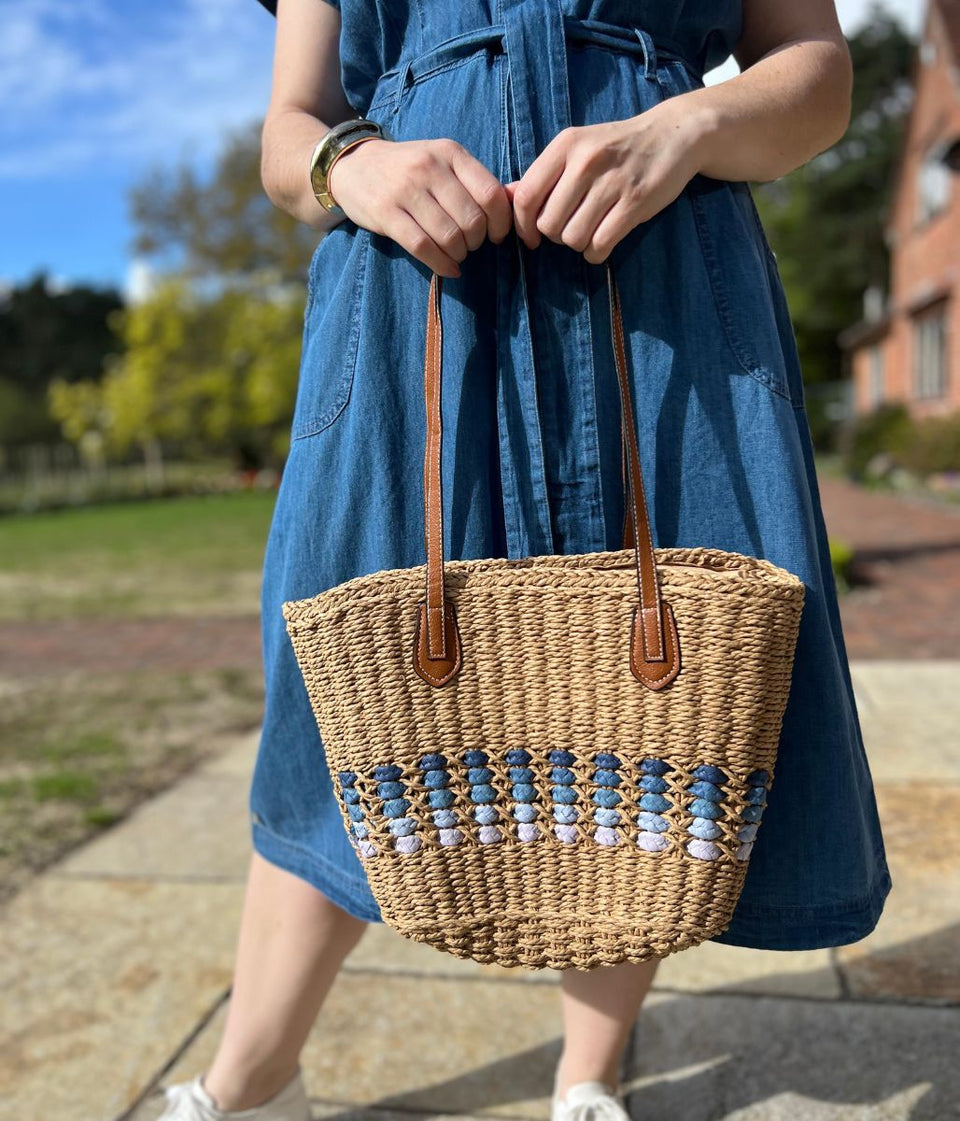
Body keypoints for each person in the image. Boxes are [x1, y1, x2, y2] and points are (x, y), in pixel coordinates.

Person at [158, 0, 892, 1118]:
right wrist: (349, 165)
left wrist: (683, 127)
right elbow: (288, 133)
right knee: (338, 705)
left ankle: (587, 1075)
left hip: (666, 298)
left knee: (656, 696)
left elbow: (819, 73)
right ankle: (251, 1079)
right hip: (412, 301)